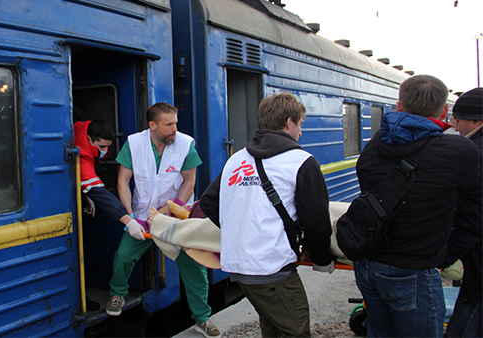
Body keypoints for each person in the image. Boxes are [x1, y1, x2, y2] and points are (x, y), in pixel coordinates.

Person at [199, 91, 334, 338]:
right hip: (271, 266)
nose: (301, 132)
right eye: (300, 124)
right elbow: (318, 222)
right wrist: (322, 259)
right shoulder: (302, 161)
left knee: (273, 325)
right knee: (296, 329)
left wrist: (240, 232)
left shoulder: (237, 159)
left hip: (239, 266)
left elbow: (208, 202)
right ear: (289, 123)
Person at [353, 75, 480, 338]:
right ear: (445, 110)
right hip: (414, 268)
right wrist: (444, 256)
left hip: (368, 264)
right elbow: (472, 209)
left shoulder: (374, 145)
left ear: (399, 106)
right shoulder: (462, 151)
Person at [108, 102, 220, 338]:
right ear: (153, 125)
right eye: (169, 124)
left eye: (176, 123)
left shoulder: (185, 143)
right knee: (123, 256)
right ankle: (117, 294)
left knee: (195, 267)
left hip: (175, 218)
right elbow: (123, 181)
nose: (175, 129)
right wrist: (129, 218)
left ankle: (202, 319)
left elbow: (189, 180)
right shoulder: (135, 144)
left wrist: (173, 209)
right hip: (142, 217)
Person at [73, 119, 136, 311]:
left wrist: (84, 193)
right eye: (101, 146)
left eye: (108, 147)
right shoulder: (81, 152)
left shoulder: (83, 131)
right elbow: (100, 193)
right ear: (90, 140)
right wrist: (128, 220)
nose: (105, 151)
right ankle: (80, 298)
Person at [443, 87, 483, 338]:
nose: (456, 127)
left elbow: (474, 217)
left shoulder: (476, 156)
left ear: (477, 121)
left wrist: (443, 256)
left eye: (459, 121)